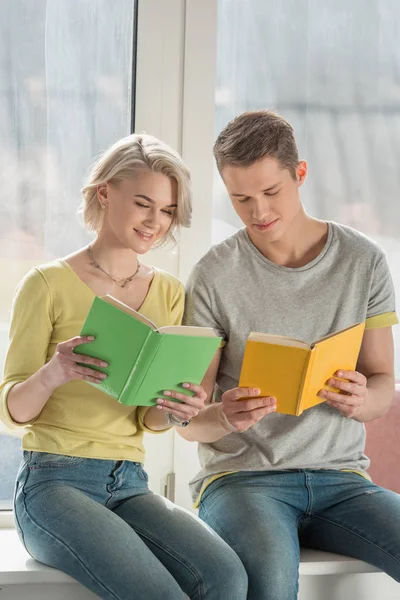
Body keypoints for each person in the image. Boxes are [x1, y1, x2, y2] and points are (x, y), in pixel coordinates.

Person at [0, 134, 248, 600]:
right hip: (53, 483)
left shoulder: (170, 292)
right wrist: (55, 371)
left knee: (226, 576)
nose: (156, 221)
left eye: (168, 210)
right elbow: (10, 408)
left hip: (129, 483)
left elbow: (148, 419)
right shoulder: (47, 284)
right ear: (105, 193)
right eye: (143, 204)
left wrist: (178, 407)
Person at [168, 110, 400, 599]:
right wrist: (225, 416)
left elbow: (382, 386)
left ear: (300, 173)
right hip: (243, 482)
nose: (258, 211)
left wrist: (360, 397)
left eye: (271, 192)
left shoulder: (364, 262)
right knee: (269, 585)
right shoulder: (214, 274)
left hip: (343, 480)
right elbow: (189, 421)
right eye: (240, 198)